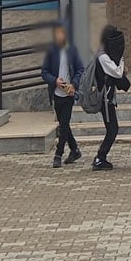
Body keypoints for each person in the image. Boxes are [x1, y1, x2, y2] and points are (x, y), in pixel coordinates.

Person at [41, 22, 84, 169]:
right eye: (58, 33)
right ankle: (75, 150)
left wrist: (74, 84)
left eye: (63, 33)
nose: (60, 36)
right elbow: (44, 72)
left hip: (69, 94)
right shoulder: (51, 51)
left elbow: (80, 69)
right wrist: (55, 80)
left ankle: (58, 154)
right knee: (63, 124)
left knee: (63, 125)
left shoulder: (72, 50)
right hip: (56, 94)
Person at [93, 25, 131, 171]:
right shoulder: (102, 56)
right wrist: (121, 61)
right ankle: (100, 158)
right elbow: (116, 73)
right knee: (112, 129)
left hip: (108, 98)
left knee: (112, 129)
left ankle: (100, 157)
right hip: (105, 100)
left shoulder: (104, 54)